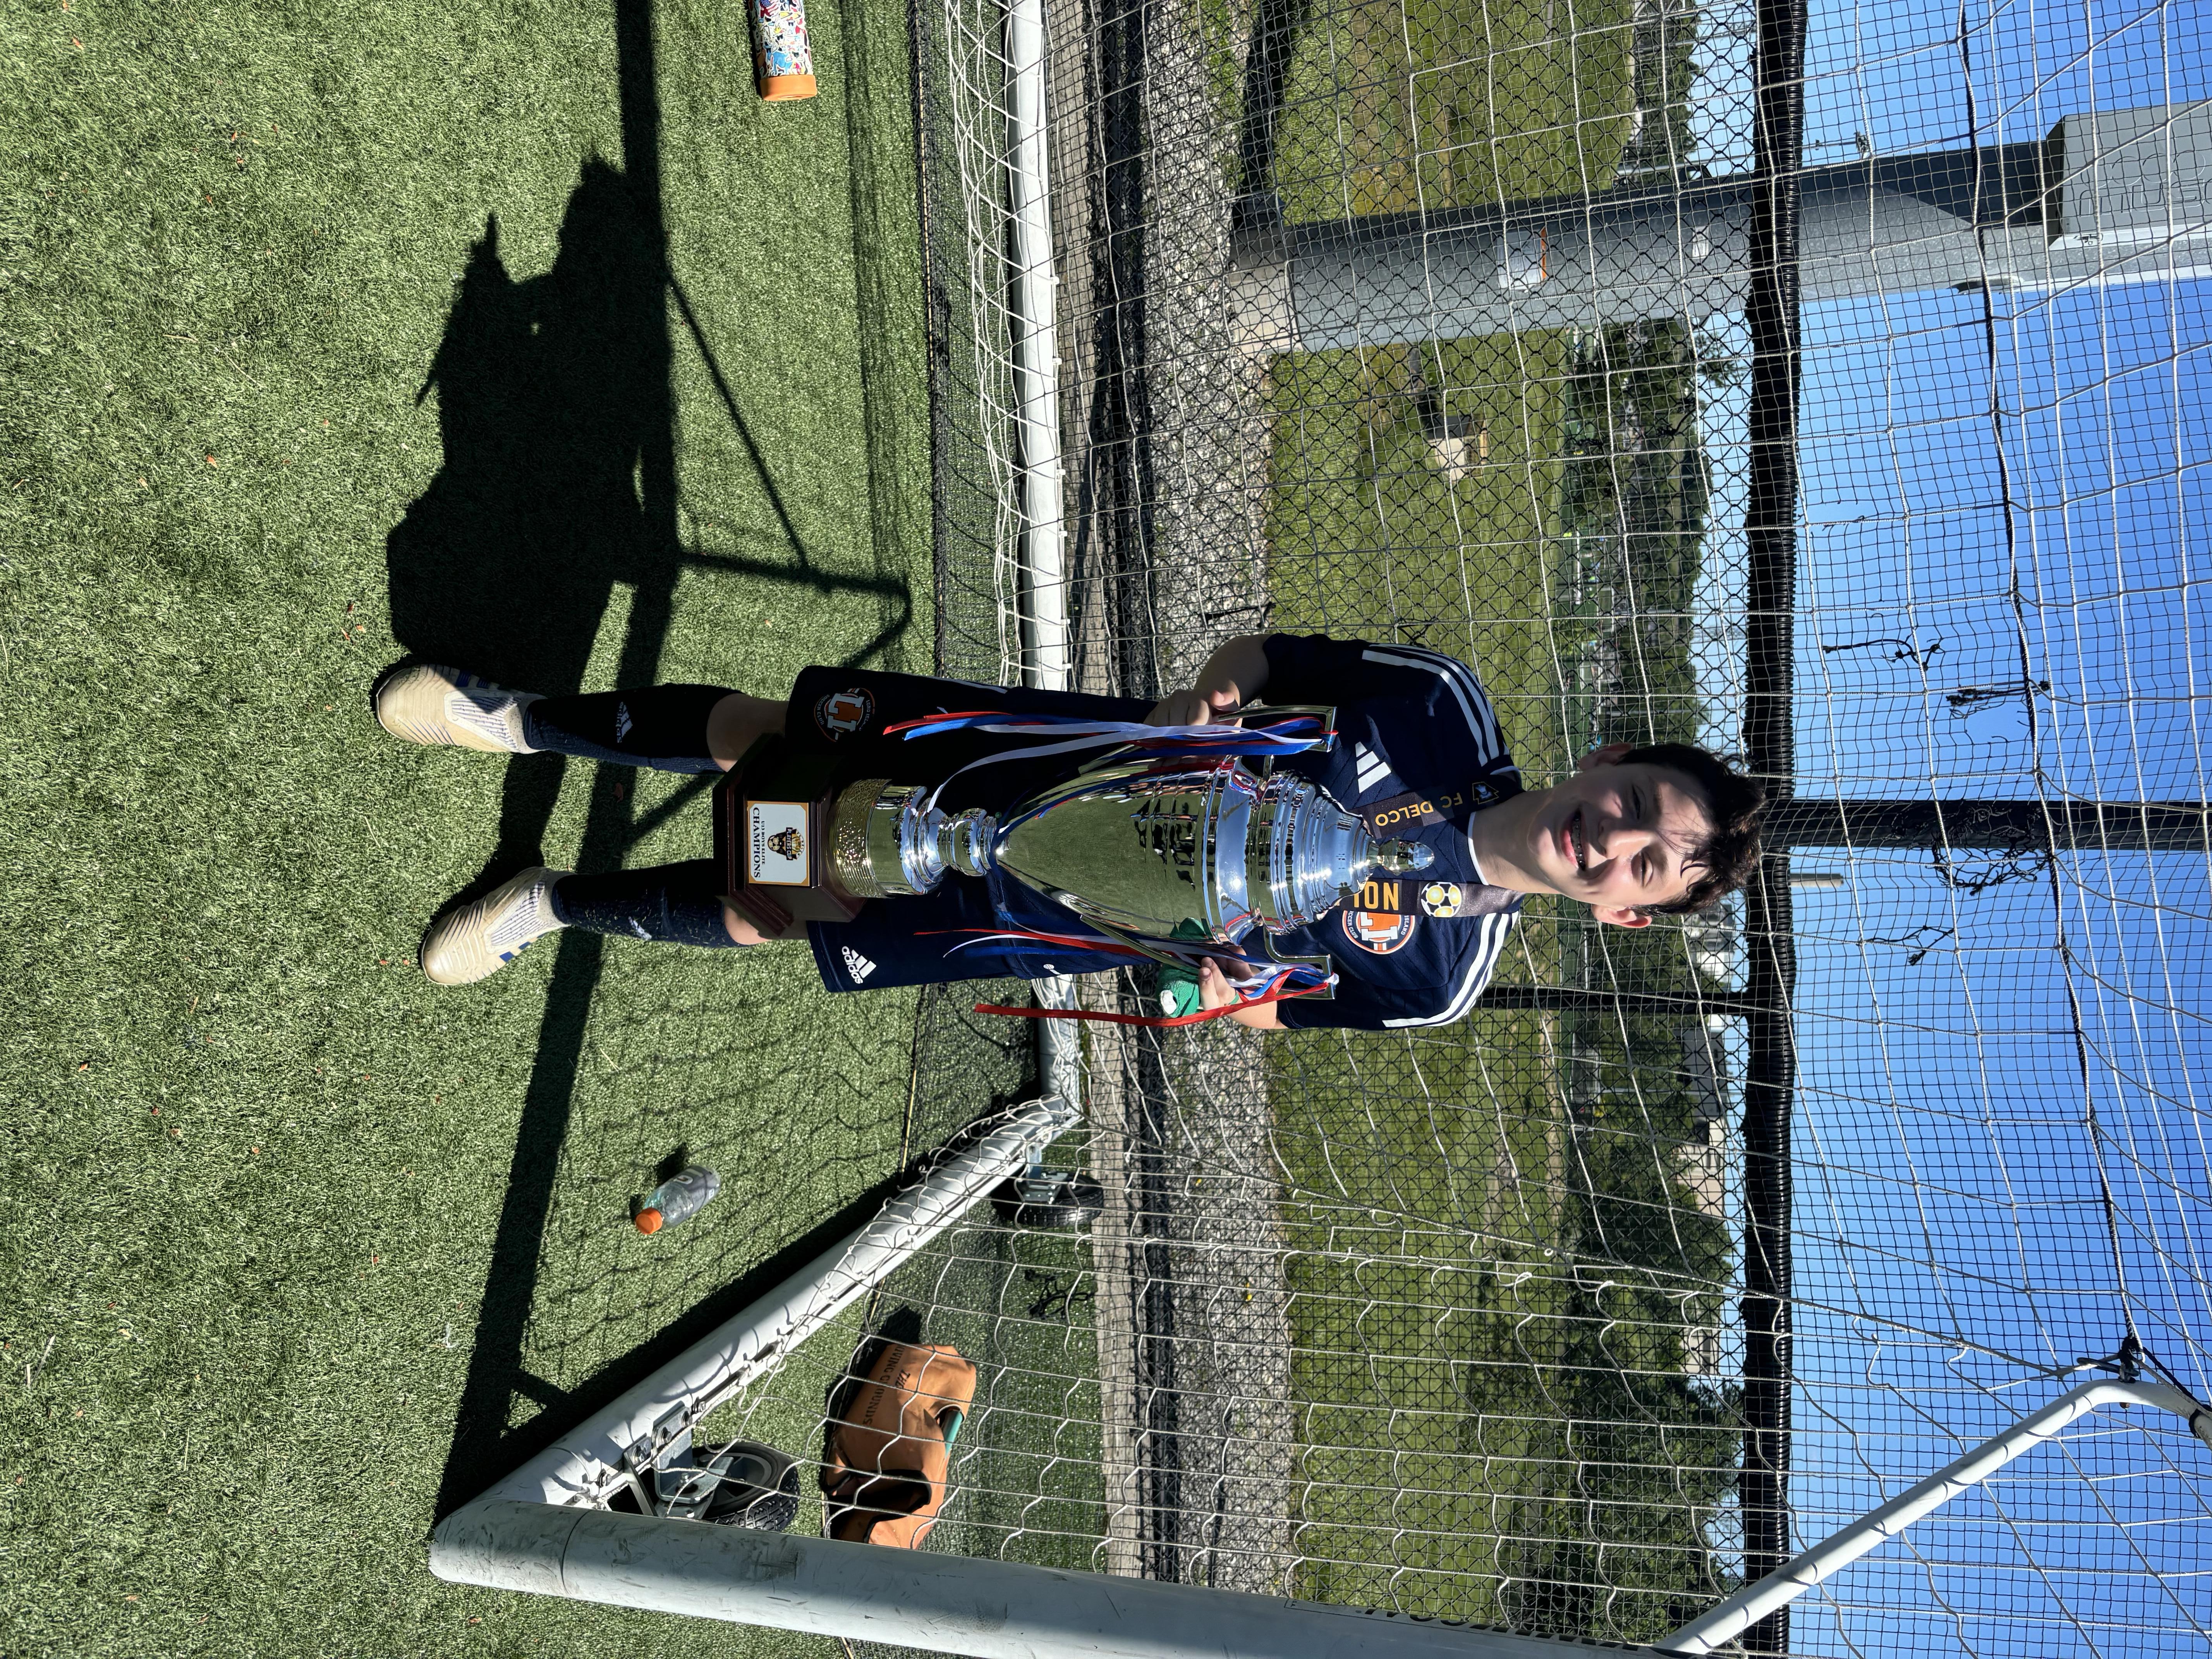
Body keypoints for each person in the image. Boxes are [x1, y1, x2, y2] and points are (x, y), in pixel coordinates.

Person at [374, 634, 1765, 1030]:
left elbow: (1268, 1006)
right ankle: (515, 718)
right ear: (1610, 759)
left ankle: (549, 902)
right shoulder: (1444, 706)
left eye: (1644, 866)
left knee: (785, 901)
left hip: (1055, 912)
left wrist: (1218, 990)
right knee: (779, 744)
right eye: (1636, 804)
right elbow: (1265, 658)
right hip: (1064, 761)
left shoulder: (1439, 979)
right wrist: (1196, 706)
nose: (1614, 838)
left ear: (1623, 912)